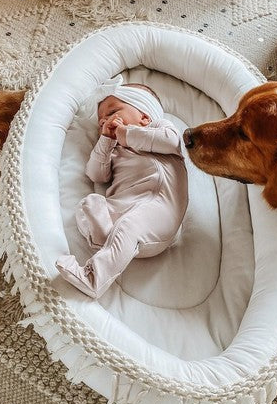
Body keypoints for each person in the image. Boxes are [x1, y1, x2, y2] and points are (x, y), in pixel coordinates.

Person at [56, 75, 188, 298]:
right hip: (123, 209)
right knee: (92, 204)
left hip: (159, 211)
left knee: (129, 225)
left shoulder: (161, 129)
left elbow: (172, 142)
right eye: (100, 122)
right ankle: (106, 239)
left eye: (111, 112)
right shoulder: (113, 150)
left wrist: (126, 133)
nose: (103, 122)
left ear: (144, 117)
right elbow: (97, 175)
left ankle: (93, 279)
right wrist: (106, 142)